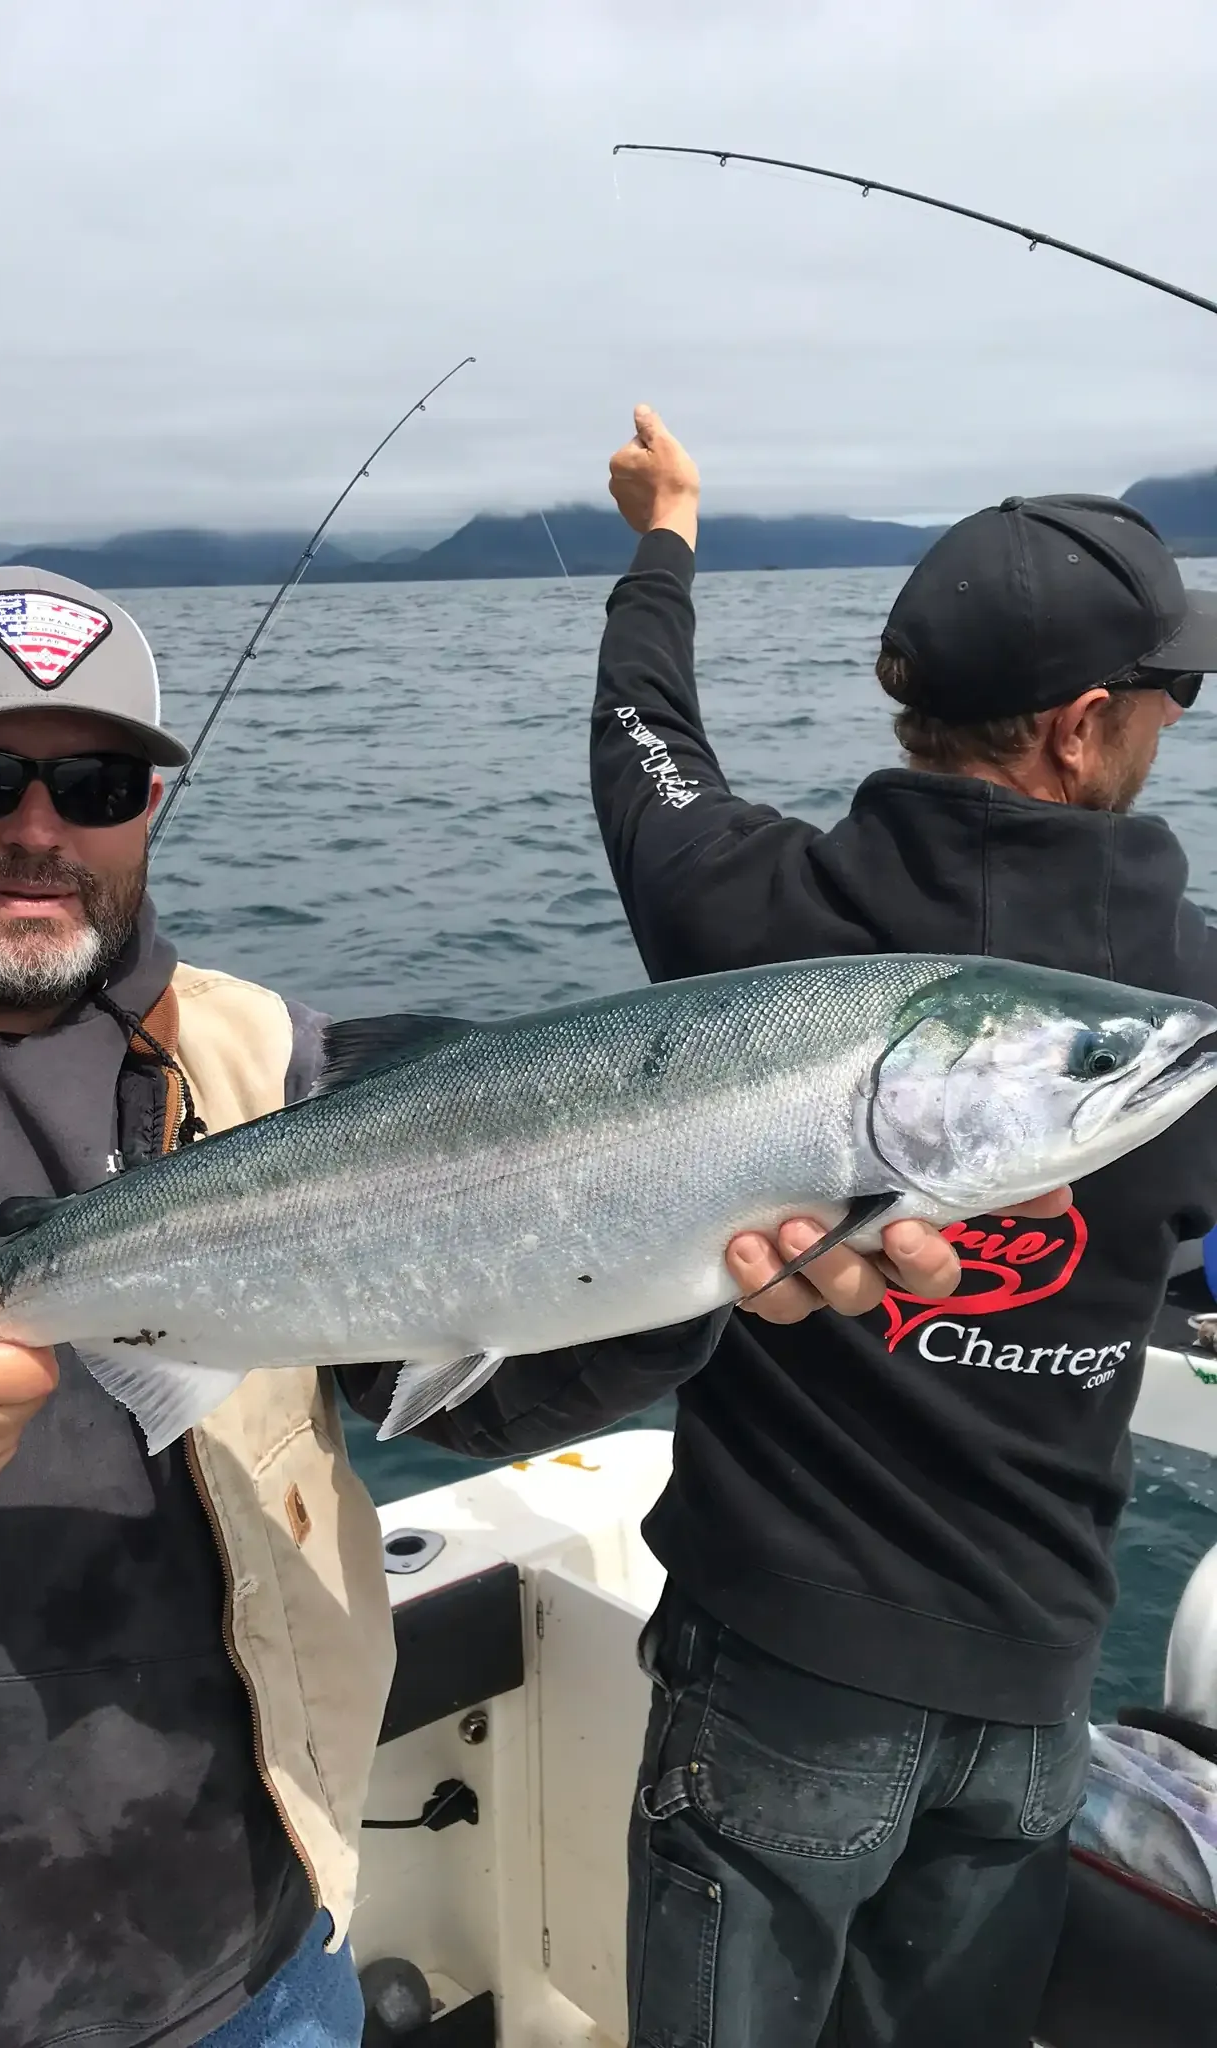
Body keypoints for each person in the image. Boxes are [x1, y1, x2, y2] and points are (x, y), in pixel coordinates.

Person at [0, 566, 985, 2048]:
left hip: (263, 1953)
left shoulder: (267, 1056)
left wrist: (683, 1264)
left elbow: (452, 1382)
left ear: (150, 807)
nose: (39, 829)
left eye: (98, 781)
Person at [595, 405, 1217, 2048]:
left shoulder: (749, 914)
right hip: (1037, 1683)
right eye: (1177, 695)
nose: (1173, 725)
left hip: (778, 1664)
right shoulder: (1193, 1005)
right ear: (1083, 729)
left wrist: (664, 540)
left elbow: (645, 745)